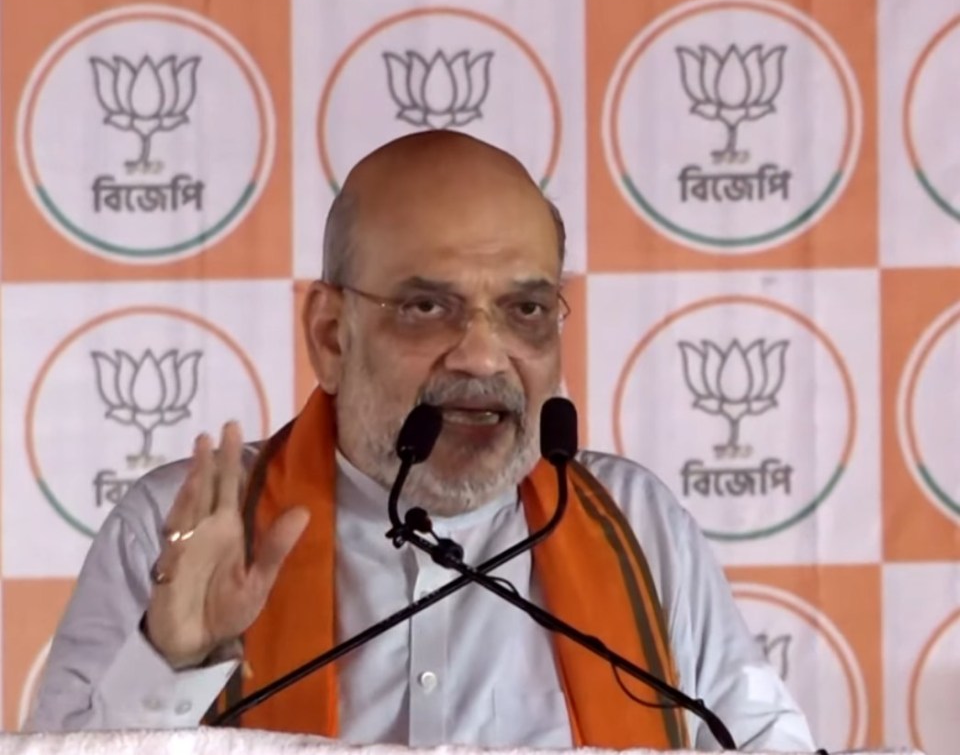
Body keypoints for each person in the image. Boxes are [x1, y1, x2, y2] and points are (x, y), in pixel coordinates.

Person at [26, 130, 815, 751]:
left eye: (526, 310)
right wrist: (172, 661)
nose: (483, 356)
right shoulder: (180, 528)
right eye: (427, 309)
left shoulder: (637, 526)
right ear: (331, 335)